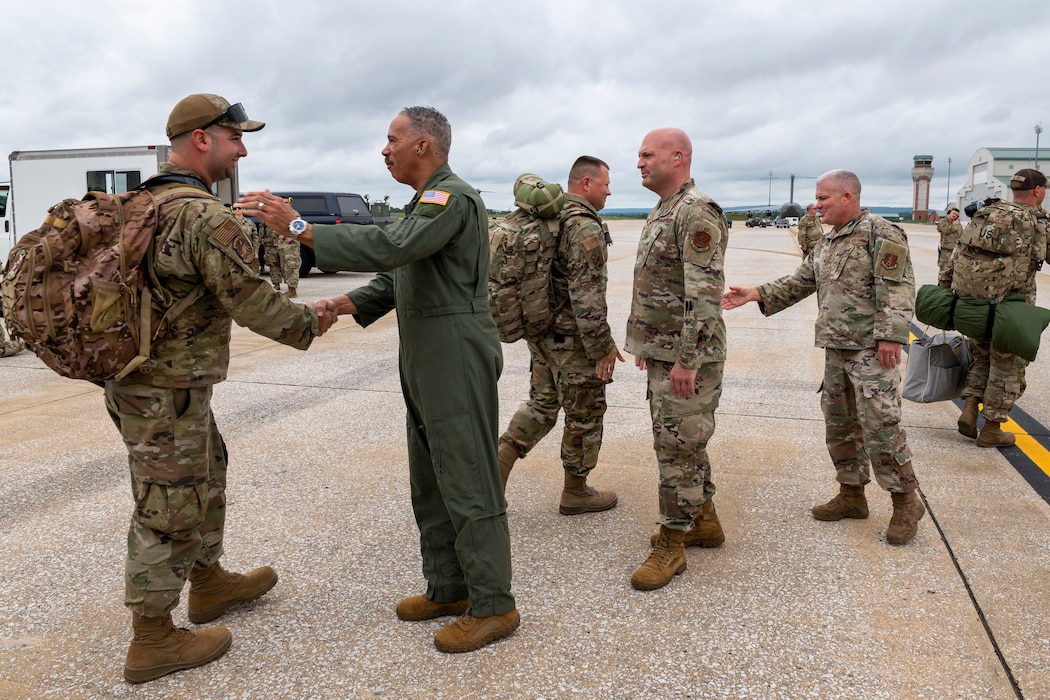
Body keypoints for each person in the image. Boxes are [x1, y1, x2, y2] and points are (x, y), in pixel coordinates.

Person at [241, 106, 519, 653]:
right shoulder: (422, 205)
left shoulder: (451, 198)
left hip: (454, 351)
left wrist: (298, 227)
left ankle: (494, 604)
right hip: (426, 352)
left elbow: (390, 249)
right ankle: (449, 588)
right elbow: (397, 278)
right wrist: (337, 305)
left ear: (423, 146)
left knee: (466, 474)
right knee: (431, 475)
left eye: (392, 140)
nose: (384, 149)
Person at [109, 93, 336, 684]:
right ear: (202, 139)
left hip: (156, 382)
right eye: (236, 137)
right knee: (168, 505)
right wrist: (316, 317)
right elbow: (254, 301)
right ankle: (152, 639)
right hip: (164, 387)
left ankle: (207, 583)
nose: (243, 148)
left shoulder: (141, 204)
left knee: (206, 474)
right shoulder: (203, 216)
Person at [722, 169, 925, 545]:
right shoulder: (828, 243)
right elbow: (800, 281)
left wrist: (890, 337)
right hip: (836, 349)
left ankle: (905, 501)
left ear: (847, 197)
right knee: (839, 426)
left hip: (871, 351)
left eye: (823, 199)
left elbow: (896, 288)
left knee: (880, 427)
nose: (816, 206)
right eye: (816, 198)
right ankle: (851, 495)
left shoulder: (880, 232)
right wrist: (755, 293)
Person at [625, 128, 728, 592]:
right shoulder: (665, 209)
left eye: (647, 155)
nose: (640, 162)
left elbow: (702, 295)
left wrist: (688, 359)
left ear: (678, 157)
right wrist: (652, 347)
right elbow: (662, 287)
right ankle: (702, 519)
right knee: (683, 440)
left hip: (690, 357)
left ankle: (672, 542)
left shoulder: (696, 212)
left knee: (677, 447)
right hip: (667, 352)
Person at [497, 156, 623, 514]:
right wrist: (601, 347)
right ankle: (577, 491)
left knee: (541, 405)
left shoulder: (550, 218)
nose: (609, 190)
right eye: (605, 184)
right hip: (574, 341)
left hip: (541, 334)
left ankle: (493, 477)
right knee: (585, 413)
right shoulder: (583, 226)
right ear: (586, 184)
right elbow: (587, 294)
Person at [941, 169, 1050, 447]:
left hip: (976, 304)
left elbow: (956, 256)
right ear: (1038, 191)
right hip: (1012, 308)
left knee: (982, 357)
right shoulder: (1038, 221)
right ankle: (991, 429)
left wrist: (946, 292)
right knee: (1007, 366)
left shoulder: (987, 213)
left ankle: (969, 408)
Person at [259, 206, 301, 297]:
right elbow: (262, 230)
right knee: (273, 265)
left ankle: (292, 289)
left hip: (286, 245)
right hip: (271, 244)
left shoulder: (293, 214)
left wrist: (292, 237)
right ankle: (276, 284)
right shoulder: (267, 215)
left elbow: (299, 227)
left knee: (289, 266)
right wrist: (262, 241)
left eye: (286, 202)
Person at [936, 203, 962, 274]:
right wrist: (954, 225)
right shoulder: (943, 221)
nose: (955, 215)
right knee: (944, 270)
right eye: (953, 213)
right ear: (950, 212)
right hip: (946, 250)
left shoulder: (957, 223)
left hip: (956, 250)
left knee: (954, 270)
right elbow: (945, 230)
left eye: (956, 215)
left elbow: (961, 235)